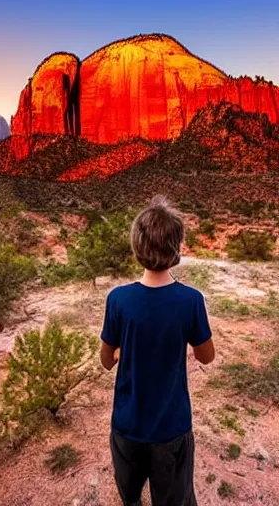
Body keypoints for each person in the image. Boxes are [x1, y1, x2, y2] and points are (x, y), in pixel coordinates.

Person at [99, 195, 215, 506]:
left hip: (127, 427)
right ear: (177, 249)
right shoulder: (190, 300)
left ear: (137, 247)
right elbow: (207, 356)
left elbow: (106, 360)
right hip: (172, 427)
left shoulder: (118, 299)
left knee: (131, 498)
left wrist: (122, 352)